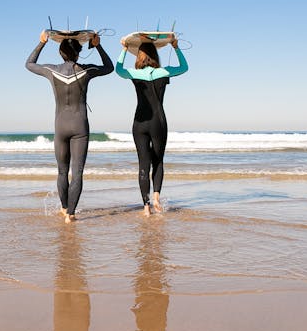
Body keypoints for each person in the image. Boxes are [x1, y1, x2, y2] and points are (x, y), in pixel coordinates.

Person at [26, 31, 113, 223]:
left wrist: (41, 42)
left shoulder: (51, 70)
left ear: (60, 52)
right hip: (80, 125)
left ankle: (64, 208)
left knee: (62, 172)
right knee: (78, 173)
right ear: (79, 52)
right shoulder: (86, 70)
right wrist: (97, 45)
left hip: (60, 126)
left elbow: (29, 64)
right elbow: (109, 67)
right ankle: (71, 215)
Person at [116, 37, 188, 216]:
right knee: (158, 161)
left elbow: (118, 69)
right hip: (159, 122)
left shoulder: (134, 73)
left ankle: (146, 206)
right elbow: (184, 67)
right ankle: (156, 198)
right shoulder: (164, 72)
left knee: (143, 164)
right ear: (155, 55)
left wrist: (124, 49)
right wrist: (176, 47)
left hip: (139, 123)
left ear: (139, 56)